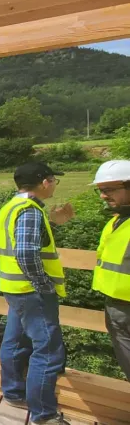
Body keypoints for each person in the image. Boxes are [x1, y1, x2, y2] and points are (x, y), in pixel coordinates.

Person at [0, 162, 74, 425]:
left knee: (15, 340)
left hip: (14, 287)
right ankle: (45, 415)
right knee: (49, 351)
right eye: (54, 180)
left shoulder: (12, 207)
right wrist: (44, 284)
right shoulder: (29, 211)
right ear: (44, 182)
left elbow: (27, 241)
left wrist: (53, 221)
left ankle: (13, 393)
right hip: (32, 291)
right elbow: (27, 252)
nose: (54, 185)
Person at [92, 160, 130, 381]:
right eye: (101, 191)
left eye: (109, 190)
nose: (103, 196)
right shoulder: (117, 221)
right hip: (117, 307)